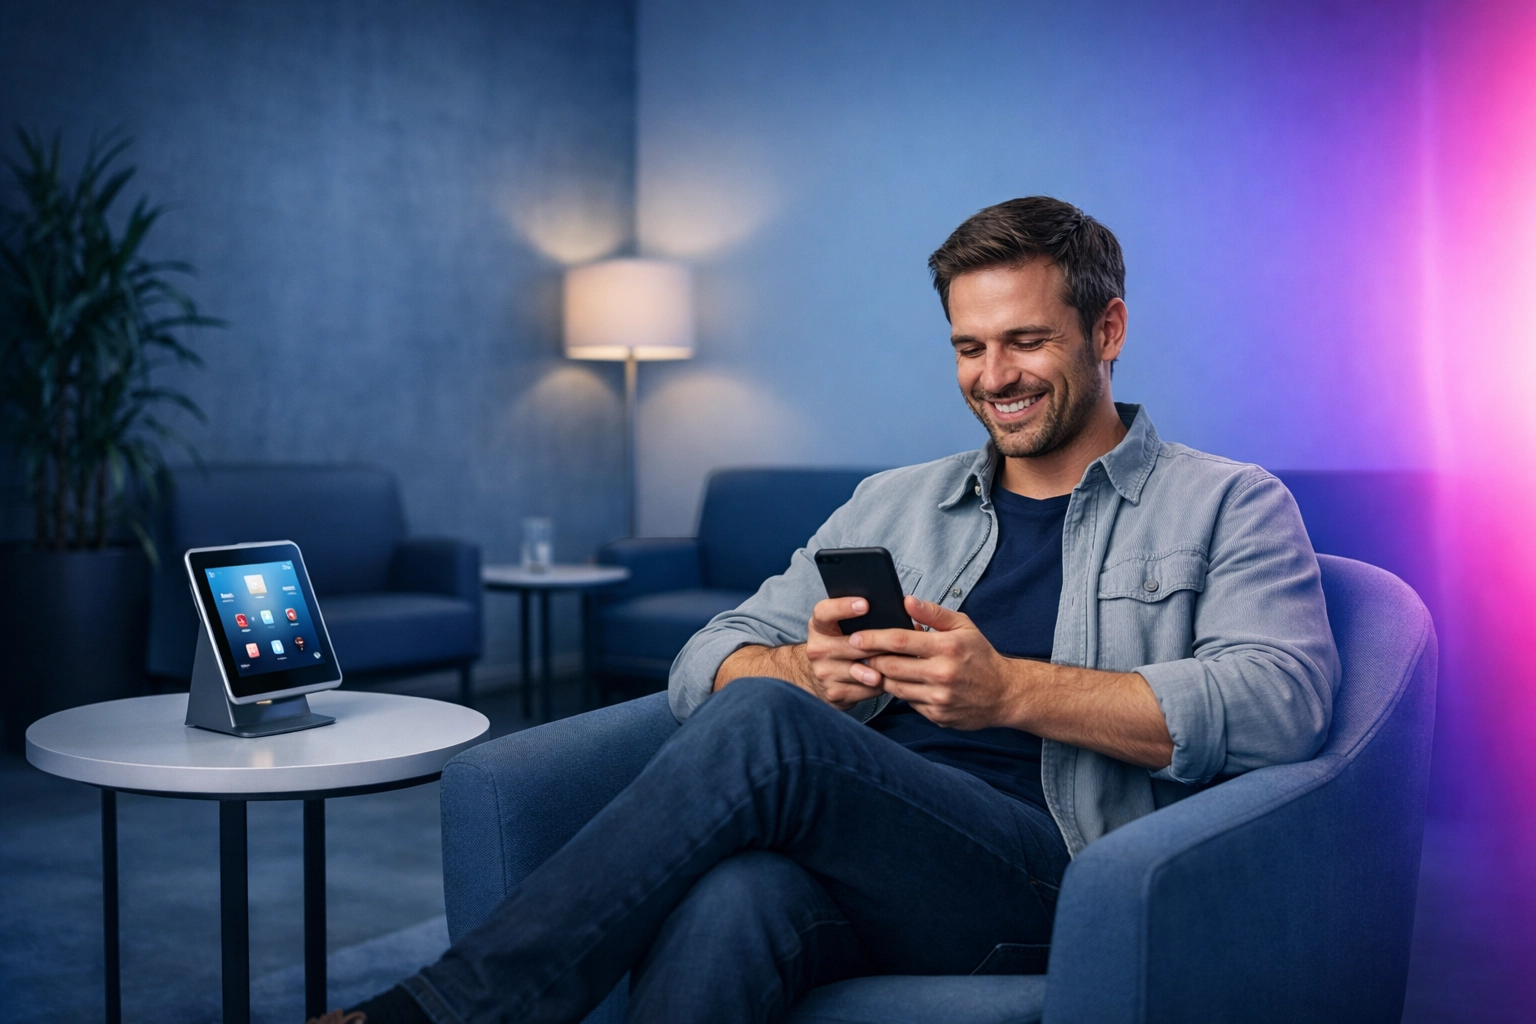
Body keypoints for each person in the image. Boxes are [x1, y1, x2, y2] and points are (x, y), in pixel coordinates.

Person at [314, 197, 1339, 1024]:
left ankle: (451, 1010)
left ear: (1107, 328)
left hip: (1066, 878)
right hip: (881, 863)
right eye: (968, 347)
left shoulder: (1228, 503)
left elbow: (1280, 702)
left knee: (767, 730)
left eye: (1025, 341)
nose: (994, 377)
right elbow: (707, 657)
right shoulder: (898, 502)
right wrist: (808, 674)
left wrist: (1008, 691)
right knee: (734, 899)